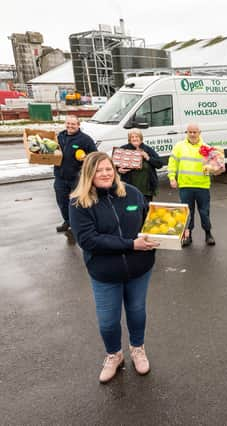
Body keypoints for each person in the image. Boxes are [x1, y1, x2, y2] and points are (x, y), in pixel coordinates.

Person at [68, 152, 159, 383]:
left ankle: (137, 349)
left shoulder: (132, 193)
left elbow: (152, 220)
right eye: (99, 170)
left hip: (139, 268)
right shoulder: (79, 203)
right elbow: (88, 240)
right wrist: (131, 244)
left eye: (108, 169)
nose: (105, 174)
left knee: (137, 312)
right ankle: (114, 355)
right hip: (105, 273)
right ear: (89, 174)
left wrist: (177, 229)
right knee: (108, 320)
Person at [168, 123, 215, 246]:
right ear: (186, 133)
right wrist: (172, 178)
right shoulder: (179, 146)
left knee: (204, 212)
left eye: (195, 132)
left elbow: (214, 166)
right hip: (185, 185)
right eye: (190, 132)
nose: (193, 134)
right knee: (187, 213)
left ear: (200, 133)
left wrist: (213, 168)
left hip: (202, 185)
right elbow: (172, 163)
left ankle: (208, 234)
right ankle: (188, 236)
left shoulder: (206, 148)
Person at [54, 115, 97, 233]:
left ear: (78, 125)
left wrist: (85, 157)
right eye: (68, 123)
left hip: (76, 178)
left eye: (73, 124)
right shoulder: (60, 137)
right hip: (60, 176)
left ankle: (76, 225)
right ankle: (67, 221)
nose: (70, 126)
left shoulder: (85, 139)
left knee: (76, 203)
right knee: (62, 202)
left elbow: (95, 156)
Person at [117, 129, 163, 204]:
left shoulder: (147, 149)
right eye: (132, 137)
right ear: (129, 139)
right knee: (131, 208)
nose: (134, 138)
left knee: (145, 209)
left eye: (137, 136)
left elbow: (160, 164)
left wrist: (148, 158)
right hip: (129, 188)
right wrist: (118, 170)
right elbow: (114, 165)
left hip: (146, 189)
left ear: (141, 138)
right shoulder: (124, 149)